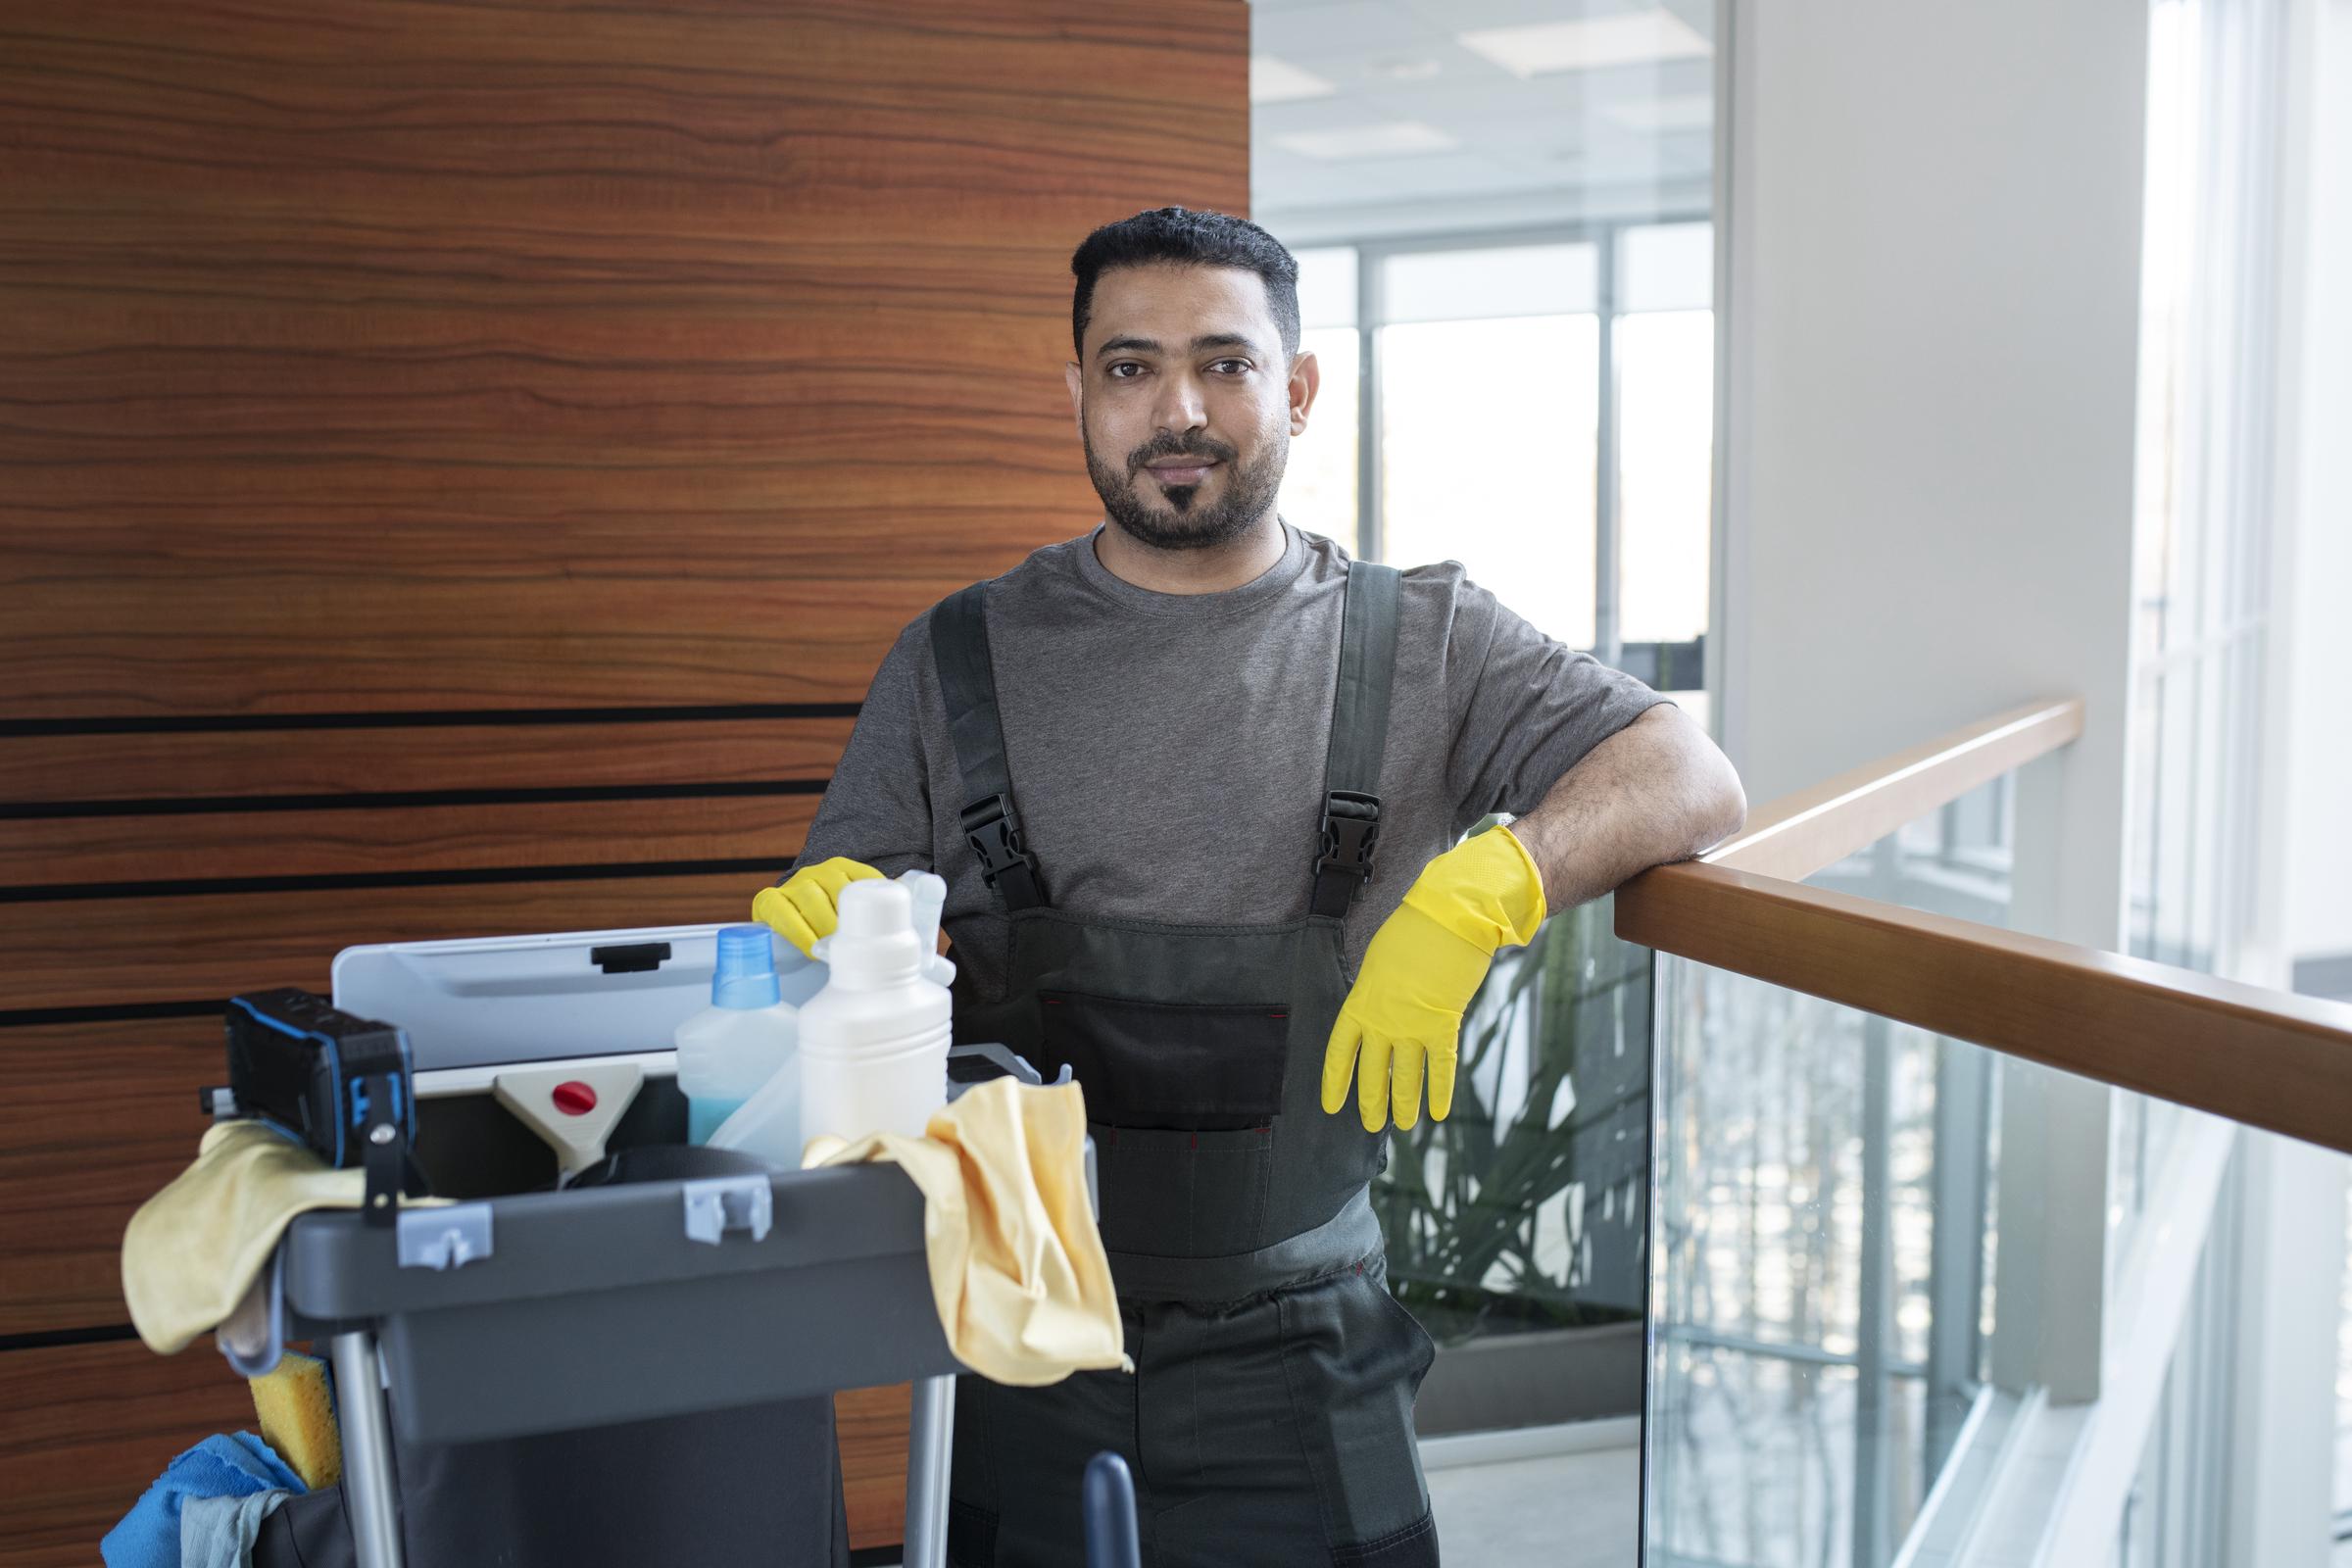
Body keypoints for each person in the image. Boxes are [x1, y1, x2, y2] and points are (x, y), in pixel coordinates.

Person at [755, 207, 1745, 1568]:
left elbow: (1689, 771)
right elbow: (847, 895)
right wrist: (821, 931)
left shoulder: (1426, 642)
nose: (1178, 409)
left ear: (1296, 387)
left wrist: (1488, 888)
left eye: (1224, 363)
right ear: (1079, 397)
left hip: (1312, 1356)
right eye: (1129, 367)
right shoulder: (955, 655)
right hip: (1021, 1329)